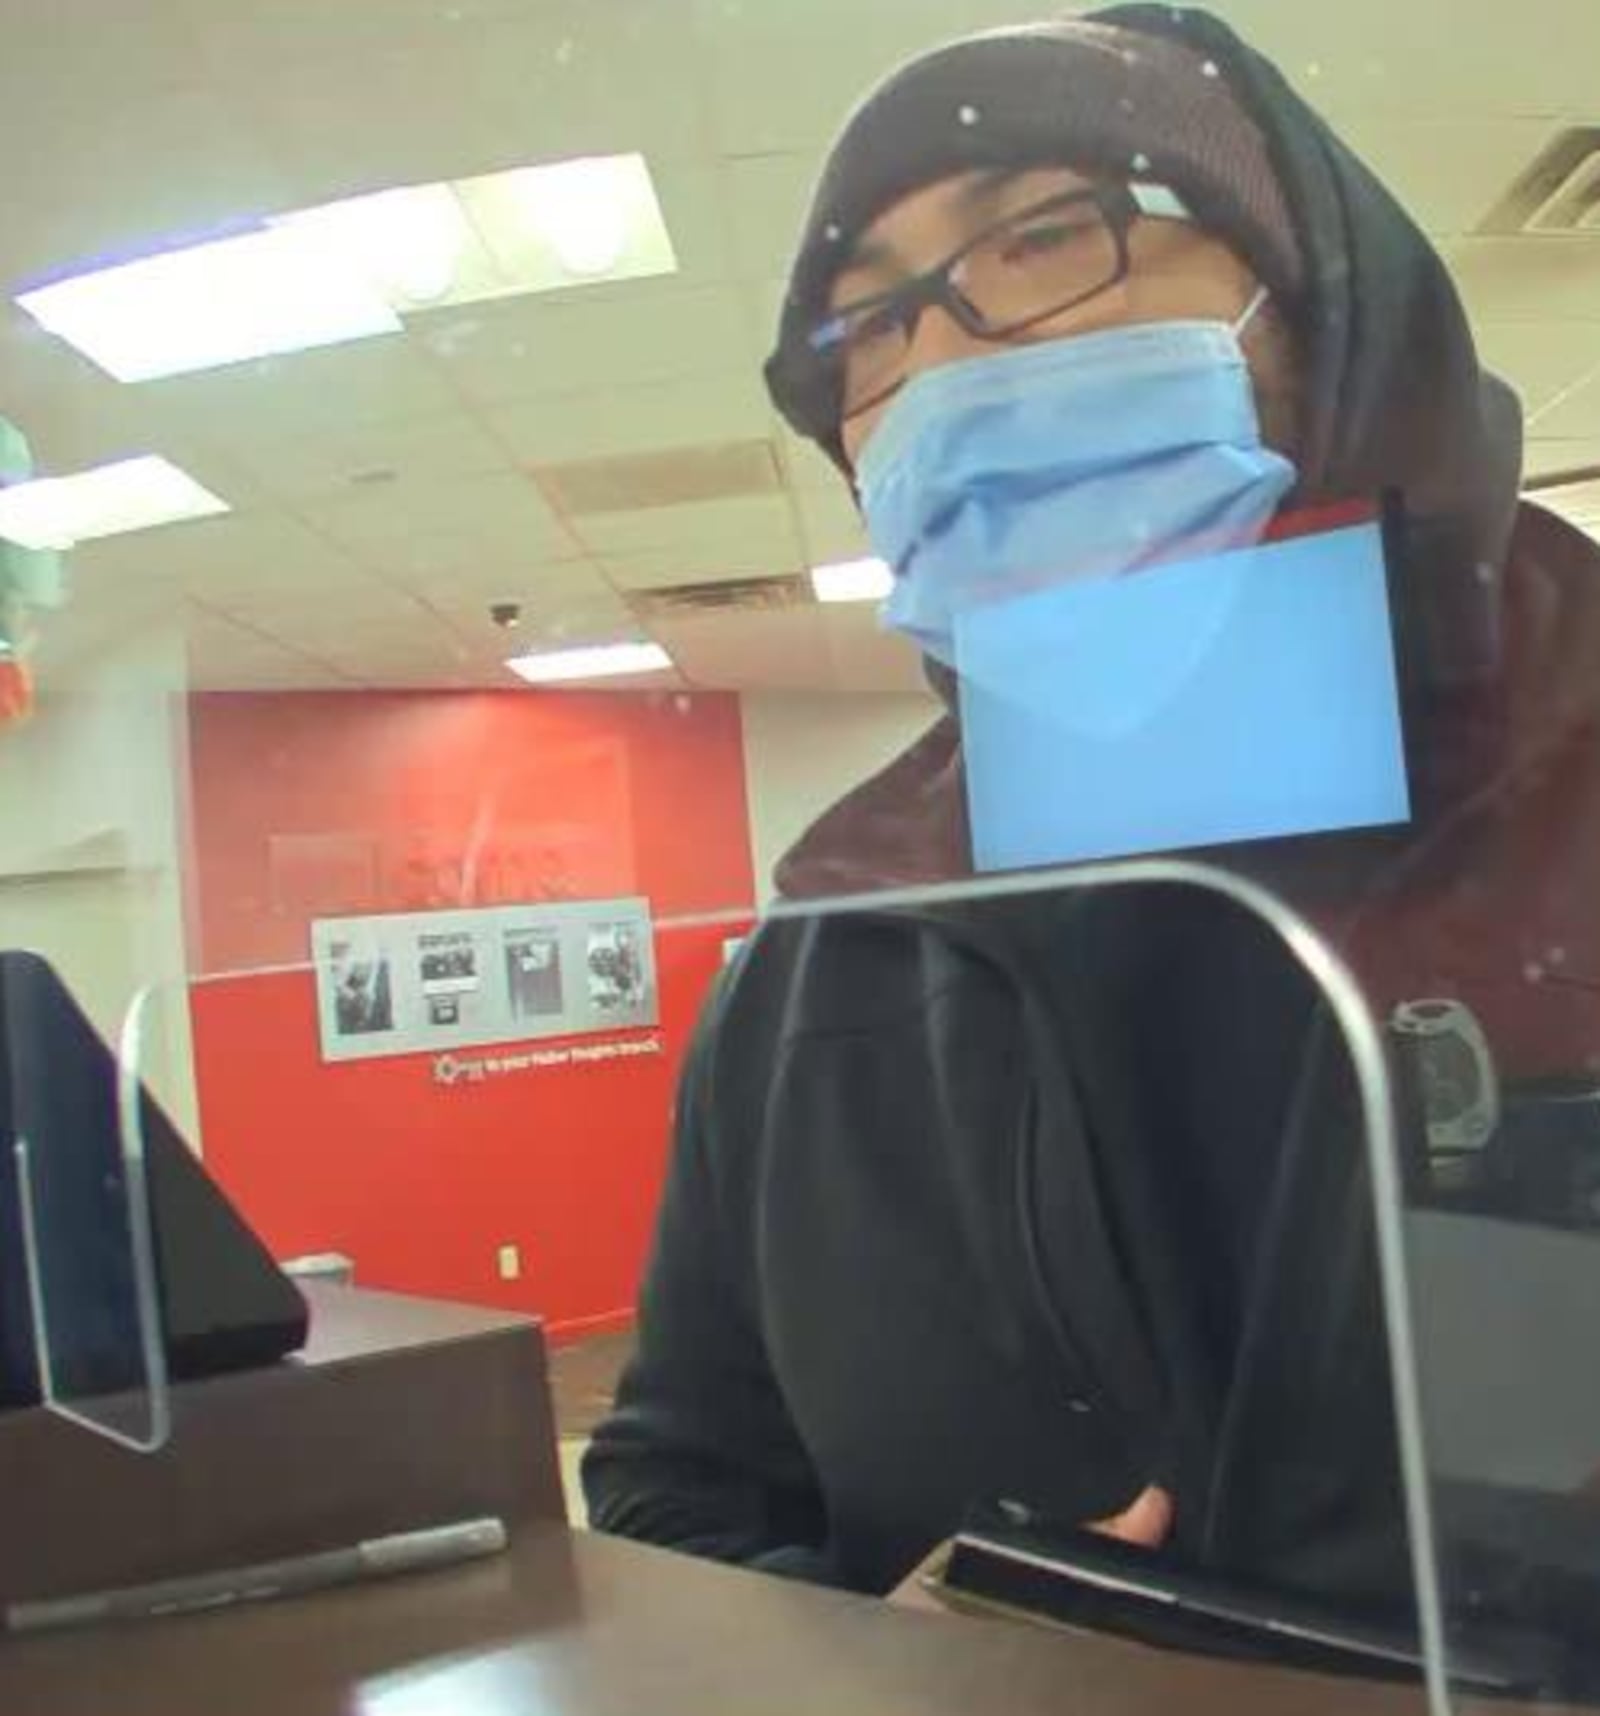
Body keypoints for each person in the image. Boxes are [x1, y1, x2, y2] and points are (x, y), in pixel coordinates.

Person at [584, 5, 1600, 1607]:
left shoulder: (1572, 805)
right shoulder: (830, 953)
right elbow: (669, 1488)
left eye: (1049, 237)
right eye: (865, 334)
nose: (942, 368)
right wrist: (890, 1669)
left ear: (1322, 301)